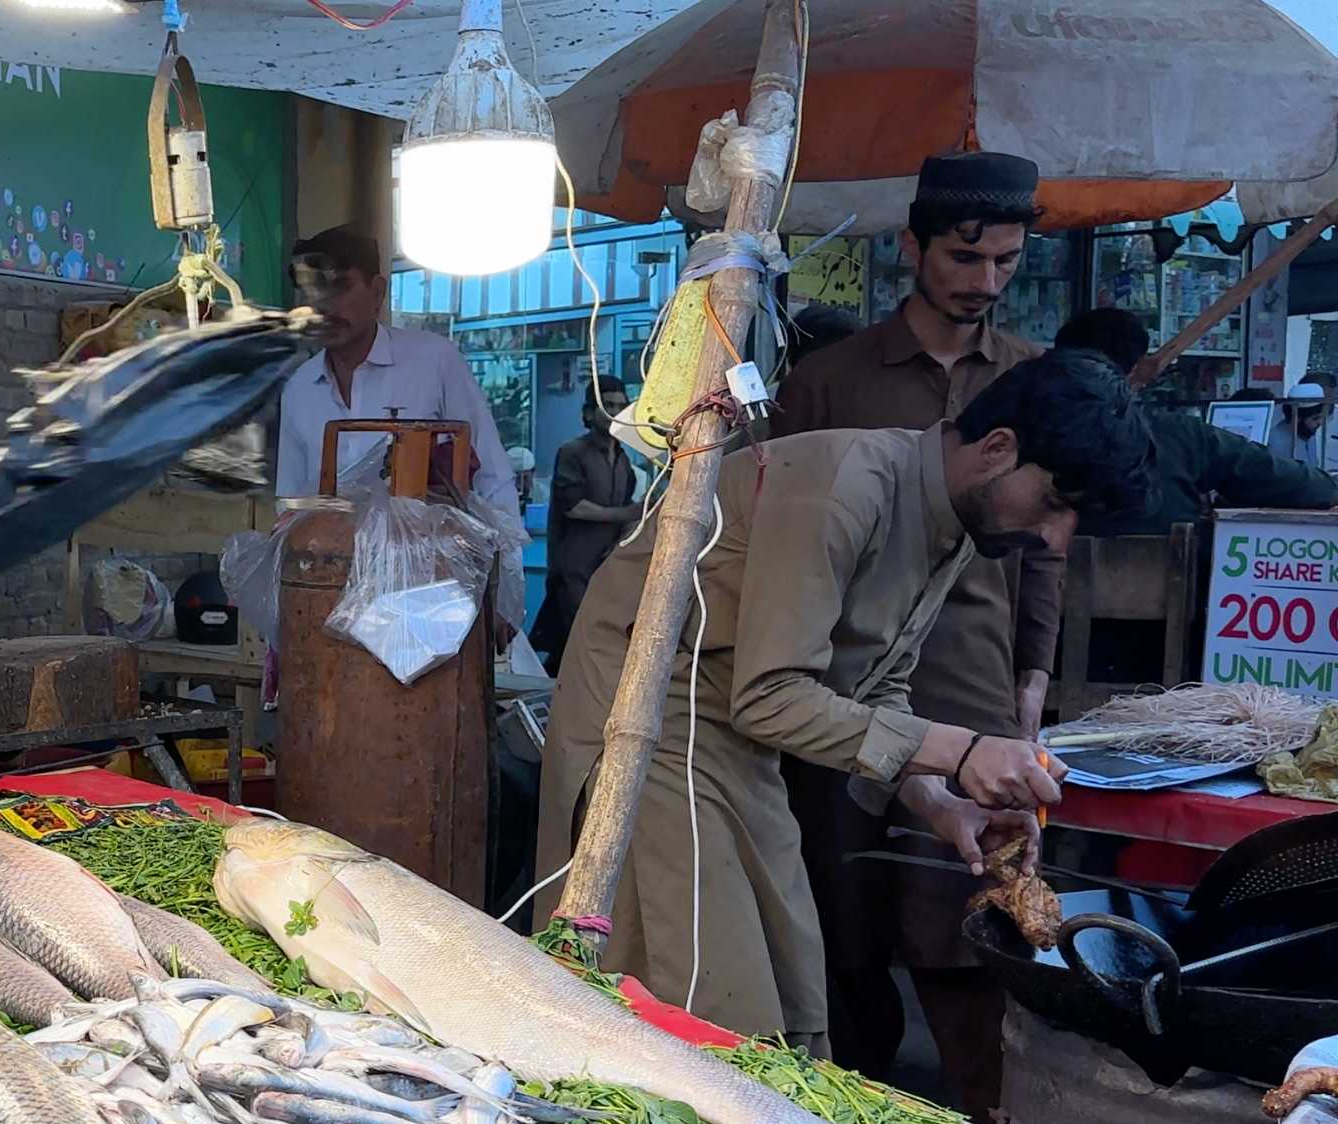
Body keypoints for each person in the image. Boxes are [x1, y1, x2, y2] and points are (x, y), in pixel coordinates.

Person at [535, 351, 1149, 1050]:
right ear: (998, 448)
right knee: (706, 994)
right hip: (646, 719)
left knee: (791, 976)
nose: (1052, 537)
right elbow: (769, 697)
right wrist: (965, 751)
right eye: (1055, 503)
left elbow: (871, 686)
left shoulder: (952, 519)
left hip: (738, 734)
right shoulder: (847, 485)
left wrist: (941, 803)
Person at [769, 151, 1053, 1115]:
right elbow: (775, 534)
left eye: (1007, 263)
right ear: (913, 248)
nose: (984, 283)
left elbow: (1048, 551)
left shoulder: (1030, 381)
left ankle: (986, 1119)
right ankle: (851, 1107)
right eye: (965, 260)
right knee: (839, 909)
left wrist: (1033, 681)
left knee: (970, 912)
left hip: (971, 676)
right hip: (830, 682)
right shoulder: (828, 380)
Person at [275, 226, 526, 638]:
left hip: (434, 596)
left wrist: (508, 598)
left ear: (377, 292)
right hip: (331, 603)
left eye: (339, 287)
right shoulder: (299, 388)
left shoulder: (433, 362)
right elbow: (290, 508)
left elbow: (493, 478)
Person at [1054, 309, 1336, 525]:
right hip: (1167, 584)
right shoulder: (1176, 434)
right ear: (1138, 369)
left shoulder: (1022, 428)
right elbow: (1298, 484)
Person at [529, 378, 642, 672]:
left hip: (606, 567)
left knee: (601, 644)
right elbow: (575, 507)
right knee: (578, 642)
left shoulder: (622, 458)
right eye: (608, 406)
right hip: (574, 568)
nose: (616, 412)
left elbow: (629, 511)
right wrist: (626, 514)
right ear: (590, 413)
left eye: (621, 406)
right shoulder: (573, 452)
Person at [1269, 375, 1336, 470]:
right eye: (1315, 418)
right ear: (1297, 417)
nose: (1320, 423)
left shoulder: (1306, 432)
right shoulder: (1275, 442)